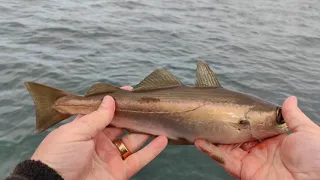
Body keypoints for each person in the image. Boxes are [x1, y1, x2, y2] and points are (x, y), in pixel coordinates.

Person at [5, 86, 320, 179]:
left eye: (282, 119)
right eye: (280, 117)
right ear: (250, 118)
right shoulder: (249, 119)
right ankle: (60, 103)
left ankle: (61, 103)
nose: (285, 123)